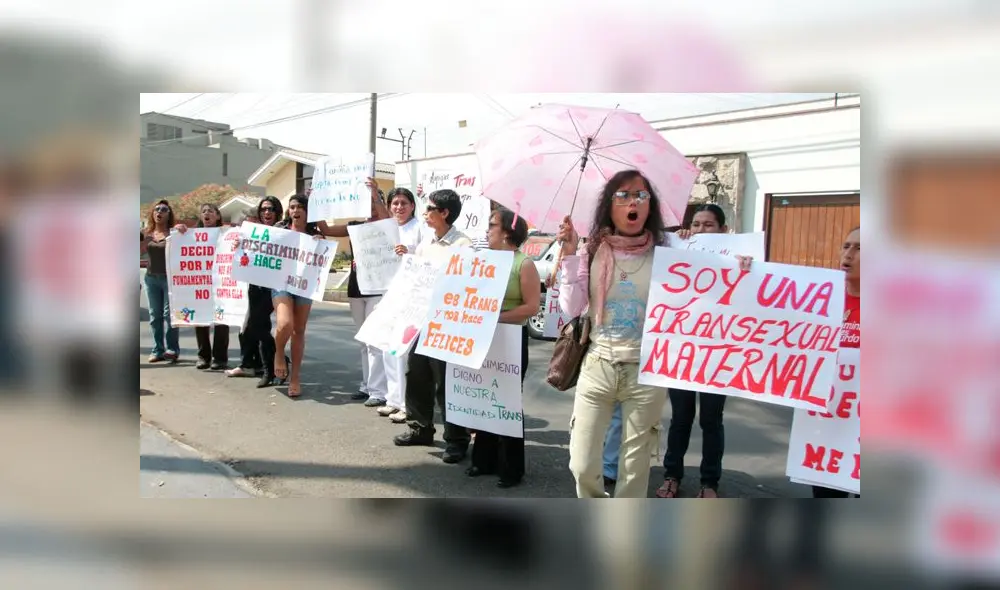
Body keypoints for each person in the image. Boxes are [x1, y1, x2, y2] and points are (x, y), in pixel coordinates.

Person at [557, 171, 752, 498]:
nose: (633, 202)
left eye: (641, 195)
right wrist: (571, 255)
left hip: (647, 371)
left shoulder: (668, 247)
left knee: (634, 470)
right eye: (623, 195)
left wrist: (739, 264)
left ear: (651, 207)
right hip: (597, 365)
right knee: (581, 463)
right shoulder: (593, 249)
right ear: (610, 204)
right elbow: (573, 307)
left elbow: (710, 269)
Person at [654, 203, 733, 498]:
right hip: (683, 352)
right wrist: (678, 247)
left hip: (717, 355)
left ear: (723, 231)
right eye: (696, 224)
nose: (701, 230)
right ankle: (672, 475)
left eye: (708, 225)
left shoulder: (736, 259)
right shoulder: (680, 251)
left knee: (711, 421)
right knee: (680, 418)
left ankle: (709, 482)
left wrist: (745, 265)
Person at [392, 189, 473, 464]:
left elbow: (464, 285)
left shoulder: (463, 245)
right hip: (421, 321)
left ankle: (456, 440)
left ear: (445, 213)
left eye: (430, 209)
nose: (425, 214)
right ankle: (420, 428)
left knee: (446, 384)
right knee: (416, 374)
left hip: (446, 325)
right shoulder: (427, 244)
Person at [465, 208, 541, 488]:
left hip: (510, 338)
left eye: (492, 225)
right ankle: (483, 460)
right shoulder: (484, 261)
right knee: (484, 397)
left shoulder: (524, 264)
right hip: (484, 338)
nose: (487, 230)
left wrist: (494, 317)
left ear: (508, 231)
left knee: (506, 403)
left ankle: (512, 468)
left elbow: (531, 307)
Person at [311, 179, 391, 402]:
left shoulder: (387, 224)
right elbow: (326, 229)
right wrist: (316, 202)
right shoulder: (355, 225)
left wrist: (375, 193)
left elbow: (386, 219)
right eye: (367, 202)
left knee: (375, 341)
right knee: (363, 341)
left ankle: (379, 391)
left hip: (377, 289)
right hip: (357, 289)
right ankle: (368, 385)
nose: (371, 207)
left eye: (374, 202)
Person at [811, 225, 860, 499]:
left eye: (860, 248)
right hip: (826, 428)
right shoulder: (819, 296)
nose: (849, 254)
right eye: (846, 246)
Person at [376, 187, 429, 422]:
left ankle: (408, 404)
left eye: (403, 203)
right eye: (395, 203)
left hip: (411, 294)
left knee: (404, 350)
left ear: (412, 206)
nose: (399, 207)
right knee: (388, 347)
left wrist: (410, 251)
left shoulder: (419, 227)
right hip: (388, 293)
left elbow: (429, 251)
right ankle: (393, 399)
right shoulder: (385, 229)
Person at [225, 197, 284, 387]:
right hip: (256, 285)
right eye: (264, 209)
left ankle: (272, 368)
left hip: (276, 286)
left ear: (278, 212)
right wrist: (238, 247)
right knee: (258, 326)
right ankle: (276, 364)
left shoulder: (285, 229)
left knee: (259, 326)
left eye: (271, 209)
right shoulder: (254, 232)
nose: (267, 212)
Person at [174, 204, 230, 371]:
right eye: (204, 211)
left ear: (218, 216)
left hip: (220, 282)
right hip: (200, 283)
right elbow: (177, 243)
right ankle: (203, 356)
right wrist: (178, 229)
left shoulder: (225, 233)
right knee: (200, 318)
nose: (206, 214)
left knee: (222, 320)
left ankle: (220, 359)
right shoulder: (191, 234)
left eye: (210, 211)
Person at [141, 199, 180, 363]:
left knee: (169, 315)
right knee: (154, 315)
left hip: (169, 279)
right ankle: (158, 349)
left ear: (169, 214)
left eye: (164, 209)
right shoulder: (146, 233)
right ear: (152, 213)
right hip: (151, 279)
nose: (159, 212)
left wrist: (182, 230)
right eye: (157, 209)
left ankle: (172, 349)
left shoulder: (174, 233)